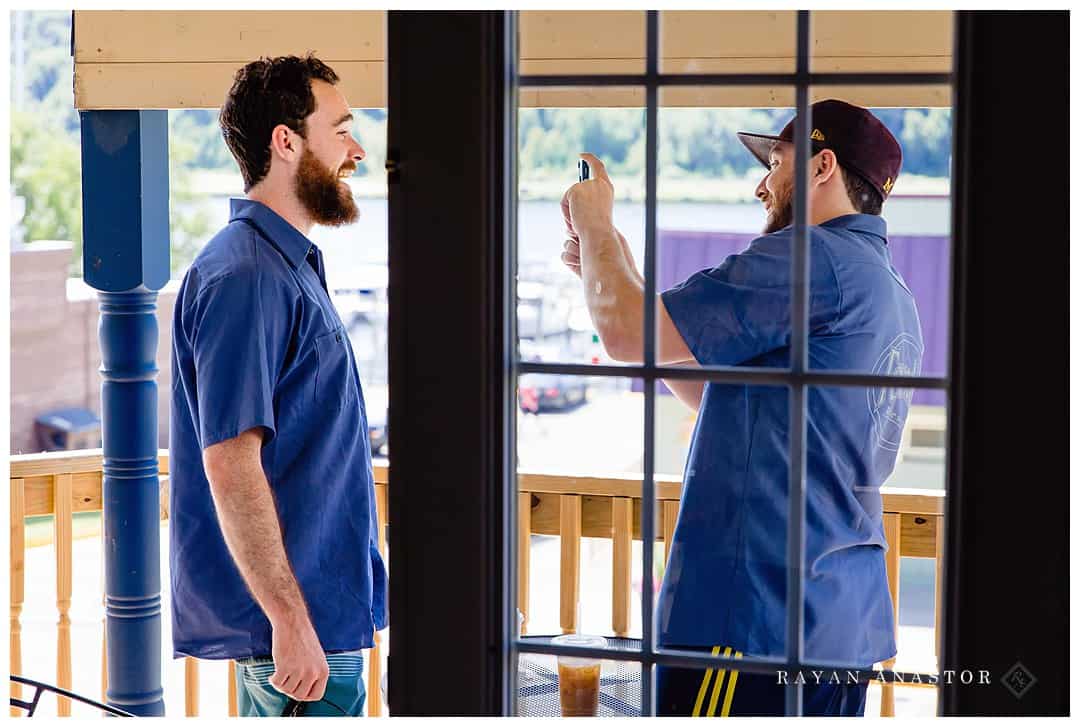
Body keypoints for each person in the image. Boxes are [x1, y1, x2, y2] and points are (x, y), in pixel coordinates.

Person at [560, 99, 922, 716]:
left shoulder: (810, 259)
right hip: (838, 623)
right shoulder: (886, 289)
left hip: (753, 619)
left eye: (777, 162)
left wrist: (596, 225)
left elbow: (626, 336)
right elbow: (712, 388)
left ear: (821, 166)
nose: (762, 184)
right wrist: (609, 257)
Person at [169, 54, 387, 717]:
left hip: (321, 622)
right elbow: (230, 463)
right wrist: (290, 623)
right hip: (298, 638)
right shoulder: (247, 278)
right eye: (341, 129)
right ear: (285, 142)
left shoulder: (285, 267)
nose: (357, 149)